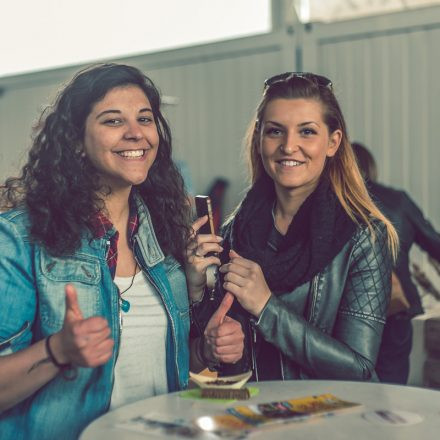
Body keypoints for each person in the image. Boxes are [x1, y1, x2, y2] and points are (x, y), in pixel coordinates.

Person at [0, 63, 243, 439]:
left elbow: (156, 362)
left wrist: (204, 350)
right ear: (76, 142)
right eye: (113, 121)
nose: (136, 134)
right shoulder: (20, 238)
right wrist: (56, 352)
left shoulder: (165, 236)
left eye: (145, 119)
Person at [186, 72, 398, 381]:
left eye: (307, 132)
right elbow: (218, 345)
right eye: (275, 131)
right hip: (257, 416)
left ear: (332, 142)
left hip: (331, 422)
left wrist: (266, 307)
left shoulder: (364, 235)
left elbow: (360, 369)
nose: (289, 146)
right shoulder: (236, 230)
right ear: (260, 139)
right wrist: (196, 290)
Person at [352, 141, 440, 384]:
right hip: (395, 306)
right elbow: (435, 243)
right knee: (392, 388)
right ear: (371, 168)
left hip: (349, 311)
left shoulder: (335, 202)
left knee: (349, 385)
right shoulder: (398, 201)